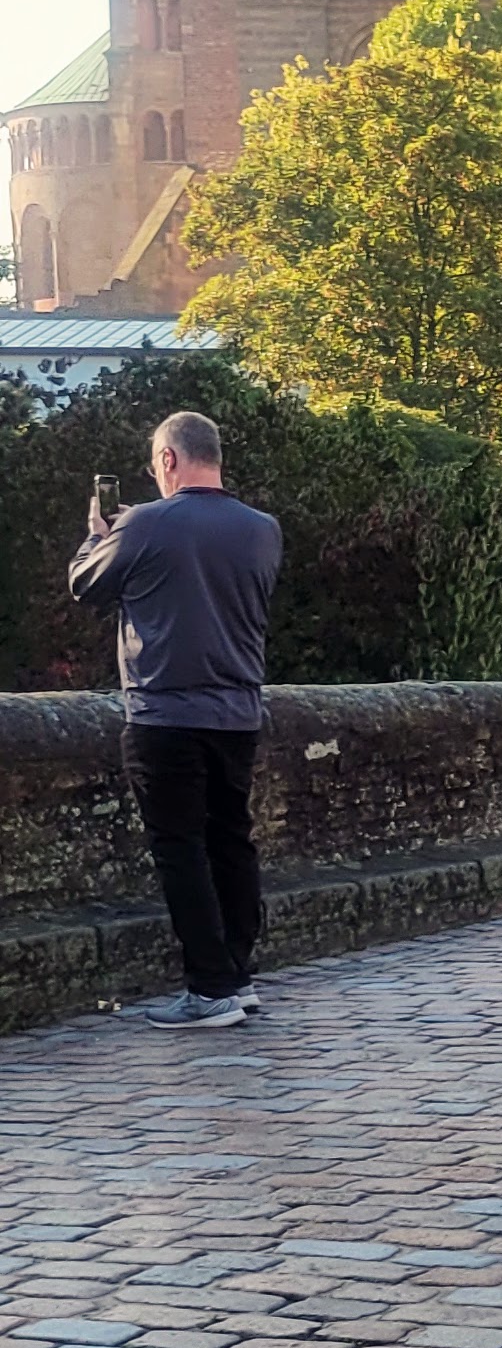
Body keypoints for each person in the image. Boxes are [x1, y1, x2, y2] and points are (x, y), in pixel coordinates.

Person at [67, 410, 282, 1031]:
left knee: (180, 848)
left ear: (168, 459)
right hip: (238, 711)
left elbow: (85, 585)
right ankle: (237, 975)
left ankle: (209, 988)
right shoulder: (263, 529)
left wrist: (96, 535)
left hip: (165, 711)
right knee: (231, 841)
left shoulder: (144, 523)